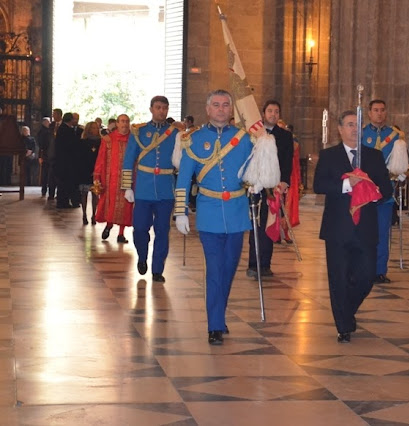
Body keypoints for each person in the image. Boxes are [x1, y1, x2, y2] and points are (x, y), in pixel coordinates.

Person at [174, 90, 254, 345]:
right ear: (207, 110)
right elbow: (184, 178)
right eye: (216, 105)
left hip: (237, 211)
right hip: (209, 213)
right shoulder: (193, 139)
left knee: (229, 269)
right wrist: (180, 211)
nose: (221, 109)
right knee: (215, 269)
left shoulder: (245, 139)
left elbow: (255, 171)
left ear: (231, 110)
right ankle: (215, 325)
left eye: (225, 105)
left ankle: (219, 312)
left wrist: (260, 181)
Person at [314, 110, 393, 343]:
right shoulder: (329, 156)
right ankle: (343, 325)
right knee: (338, 278)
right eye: (349, 124)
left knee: (366, 275)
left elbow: (386, 190)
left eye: (357, 124)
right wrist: (348, 184)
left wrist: (370, 188)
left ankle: (346, 311)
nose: (354, 129)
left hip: (366, 227)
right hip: (338, 228)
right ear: (339, 129)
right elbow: (319, 185)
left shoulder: (374, 156)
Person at [121, 96, 180, 282]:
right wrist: (127, 187)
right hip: (143, 190)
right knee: (139, 228)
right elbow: (128, 160)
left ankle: (157, 269)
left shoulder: (176, 134)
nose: (161, 111)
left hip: (165, 190)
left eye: (165, 108)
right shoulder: (139, 132)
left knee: (162, 230)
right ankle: (142, 256)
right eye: (158, 107)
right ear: (151, 109)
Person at [246, 100, 293, 279]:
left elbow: (287, 162)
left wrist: (284, 182)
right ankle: (253, 264)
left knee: (270, 225)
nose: (273, 114)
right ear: (263, 113)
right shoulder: (254, 134)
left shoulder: (285, 136)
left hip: (275, 188)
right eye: (270, 111)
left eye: (276, 111)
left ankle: (266, 264)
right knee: (256, 226)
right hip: (256, 188)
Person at [361, 99, 402, 283]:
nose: (379, 113)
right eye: (376, 110)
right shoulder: (362, 134)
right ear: (369, 113)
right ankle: (363, 268)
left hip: (385, 192)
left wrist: (401, 172)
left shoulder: (394, 135)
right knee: (363, 232)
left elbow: (400, 161)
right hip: (364, 191)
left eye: (382, 110)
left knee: (383, 233)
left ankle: (379, 270)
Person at [94, 114, 133, 243]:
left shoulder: (133, 139)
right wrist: (97, 175)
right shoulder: (108, 139)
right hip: (111, 178)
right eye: (122, 121)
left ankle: (121, 234)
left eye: (127, 121)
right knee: (111, 205)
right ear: (117, 124)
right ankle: (109, 225)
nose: (125, 124)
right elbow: (101, 158)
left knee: (126, 206)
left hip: (128, 179)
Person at [77, 121, 101, 225]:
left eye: (96, 128)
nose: (95, 130)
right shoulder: (83, 142)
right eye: (93, 128)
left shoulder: (101, 142)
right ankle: (84, 214)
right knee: (84, 193)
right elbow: (80, 157)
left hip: (96, 170)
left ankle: (94, 215)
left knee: (95, 193)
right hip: (84, 170)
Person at [54, 112, 80, 209]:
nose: (75, 121)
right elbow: (70, 146)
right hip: (65, 162)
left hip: (64, 161)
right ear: (70, 119)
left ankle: (63, 201)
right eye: (74, 119)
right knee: (64, 183)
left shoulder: (64, 129)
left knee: (65, 182)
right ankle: (62, 202)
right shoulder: (66, 130)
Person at [37, 117, 54, 198]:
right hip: (46, 155)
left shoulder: (49, 131)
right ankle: (44, 190)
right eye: (48, 122)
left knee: (48, 174)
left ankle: (47, 191)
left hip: (48, 155)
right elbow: (41, 145)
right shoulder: (43, 132)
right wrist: (40, 156)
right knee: (45, 174)